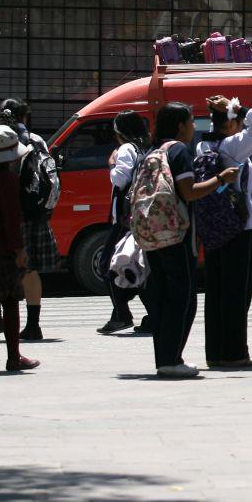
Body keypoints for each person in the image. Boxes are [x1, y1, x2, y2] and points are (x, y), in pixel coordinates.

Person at [139, 102, 238, 378]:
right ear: (181, 125)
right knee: (182, 298)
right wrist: (221, 178)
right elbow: (189, 192)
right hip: (176, 234)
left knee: (162, 296)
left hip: (153, 234)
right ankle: (172, 358)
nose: (195, 127)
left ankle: (165, 358)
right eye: (192, 121)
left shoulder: (152, 151)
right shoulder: (179, 151)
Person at [199, 96, 252, 368]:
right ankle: (235, 353)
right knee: (237, 294)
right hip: (240, 228)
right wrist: (237, 107)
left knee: (216, 292)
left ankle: (215, 352)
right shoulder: (232, 147)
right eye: (238, 123)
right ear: (230, 123)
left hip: (214, 228)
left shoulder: (203, 147)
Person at [0, 99, 58, 342]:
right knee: (29, 270)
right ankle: (33, 325)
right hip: (32, 210)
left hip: (7, 209)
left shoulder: (2, 139)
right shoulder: (36, 140)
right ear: (24, 116)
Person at [96, 110, 152, 335]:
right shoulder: (144, 147)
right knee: (137, 264)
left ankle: (122, 314)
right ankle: (141, 314)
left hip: (124, 219)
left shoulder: (127, 149)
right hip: (137, 216)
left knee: (108, 264)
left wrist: (112, 163)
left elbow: (120, 179)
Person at [0, 125, 38, 371]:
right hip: (3, 251)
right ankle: (14, 356)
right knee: (11, 301)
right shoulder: (7, 180)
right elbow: (11, 219)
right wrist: (19, 250)